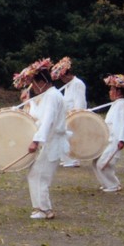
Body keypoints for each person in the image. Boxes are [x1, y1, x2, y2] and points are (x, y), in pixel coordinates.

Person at [21, 58, 69, 220]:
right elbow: (39, 116)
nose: (33, 87)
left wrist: (36, 140)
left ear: (42, 82)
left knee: (40, 175)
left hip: (51, 141)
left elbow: (48, 121)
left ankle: (44, 209)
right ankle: (41, 207)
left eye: (34, 83)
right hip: (47, 141)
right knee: (36, 174)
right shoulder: (48, 96)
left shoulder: (52, 96)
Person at [93, 74, 124, 192]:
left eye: (112, 89)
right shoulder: (117, 104)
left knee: (104, 163)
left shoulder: (122, 105)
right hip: (108, 139)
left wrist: (122, 140)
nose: (110, 92)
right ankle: (106, 183)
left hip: (115, 140)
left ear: (119, 91)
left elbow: (123, 124)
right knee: (96, 161)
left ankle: (113, 185)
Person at [51, 56, 87, 168]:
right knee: (65, 137)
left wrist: (75, 115)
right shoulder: (68, 85)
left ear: (67, 74)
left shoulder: (77, 83)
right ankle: (66, 158)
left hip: (74, 115)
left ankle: (73, 159)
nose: (62, 80)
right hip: (67, 115)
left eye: (62, 77)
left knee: (73, 137)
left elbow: (79, 102)